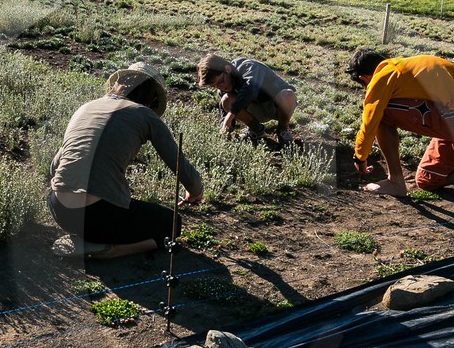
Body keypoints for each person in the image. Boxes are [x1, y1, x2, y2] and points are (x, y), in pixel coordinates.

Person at [48, 64, 203, 259]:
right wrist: (195, 191)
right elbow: (178, 163)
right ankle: (112, 249)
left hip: (59, 208)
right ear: (152, 97)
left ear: (118, 84)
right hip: (97, 216)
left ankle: (88, 238)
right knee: (172, 224)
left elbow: (55, 166)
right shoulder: (144, 114)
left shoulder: (87, 107)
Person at [347, 48, 454, 199]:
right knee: (427, 179)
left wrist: (360, 157)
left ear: (364, 78)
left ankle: (395, 181)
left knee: (382, 112)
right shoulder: (406, 66)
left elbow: (370, 120)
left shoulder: (384, 74)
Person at [197, 53, 297, 143]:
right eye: (215, 86)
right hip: (255, 110)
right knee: (226, 100)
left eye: (221, 82)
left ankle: (282, 130)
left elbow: (250, 89)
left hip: (275, 107)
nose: (221, 87)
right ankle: (257, 131)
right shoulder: (224, 85)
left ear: (227, 69)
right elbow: (225, 112)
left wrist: (230, 116)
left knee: (288, 95)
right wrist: (227, 130)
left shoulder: (248, 67)